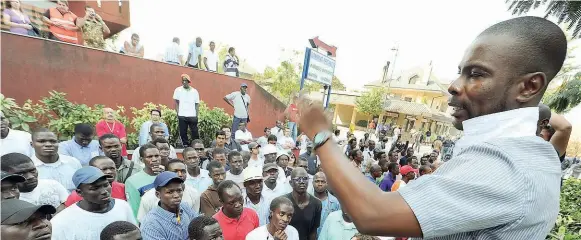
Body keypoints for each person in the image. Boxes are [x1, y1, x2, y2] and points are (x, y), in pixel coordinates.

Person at [297, 16, 567, 238]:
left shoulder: (507, 166)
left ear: (529, 87)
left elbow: (371, 213)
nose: (454, 85)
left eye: (476, 74)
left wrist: (321, 135)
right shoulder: (533, 155)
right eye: (461, 71)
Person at [50, 166, 136, 240]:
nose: (104, 191)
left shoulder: (122, 206)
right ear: (79, 192)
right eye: (95, 188)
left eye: (106, 185)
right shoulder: (62, 221)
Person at [139, 171, 198, 239]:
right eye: (170, 192)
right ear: (158, 194)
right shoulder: (151, 223)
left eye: (179, 191)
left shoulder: (184, 207)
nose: (176, 195)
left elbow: (200, 227)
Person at [1, 153, 68, 211]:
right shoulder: (9, 197)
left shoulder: (52, 184)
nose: (30, 176)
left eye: (32, 171)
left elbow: (68, 204)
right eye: (21, 173)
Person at [124, 143, 162, 217]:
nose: (154, 159)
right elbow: (134, 209)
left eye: (157, 156)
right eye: (149, 157)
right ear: (141, 159)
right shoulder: (132, 181)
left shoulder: (167, 175)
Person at [284, 168, 321, 240]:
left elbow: (313, 232)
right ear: (291, 183)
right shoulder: (283, 202)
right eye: (298, 179)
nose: (302, 182)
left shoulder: (316, 203)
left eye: (305, 179)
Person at [174, 73, 201, 147]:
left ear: (189, 82)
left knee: (195, 132)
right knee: (183, 132)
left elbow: (197, 104)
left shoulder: (194, 91)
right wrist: (178, 112)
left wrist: (196, 115)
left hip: (192, 115)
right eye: (183, 80)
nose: (184, 82)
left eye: (186, 80)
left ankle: (196, 145)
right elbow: (176, 102)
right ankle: (185, 145)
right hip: (182, 115)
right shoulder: (178, 90)